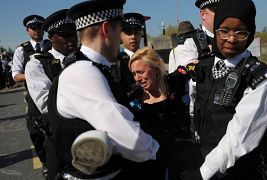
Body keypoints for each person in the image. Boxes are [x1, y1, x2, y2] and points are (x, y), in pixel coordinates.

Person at [46, 0, 159, 179]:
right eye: (120, 29)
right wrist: (157, 149)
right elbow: (133, 140)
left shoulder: (94, 68)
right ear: (106, 29)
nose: (121, 39)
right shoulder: (82, 72)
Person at [180, 0, 267, 179]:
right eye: (224, 31)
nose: (231, 39)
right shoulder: (205, 67)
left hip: (236, 171)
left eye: (240, 32)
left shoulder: (259, 76)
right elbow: (194, 110)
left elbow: (238, 138)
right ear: (215, 31)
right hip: (201, 161)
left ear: (250, 34)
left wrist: (203, 173)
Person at [24, 9, 78, 180]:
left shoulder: (82, 58)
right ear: (51, 38)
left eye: (73, 34)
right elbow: (46, 105)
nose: (71, 39)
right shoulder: (37, 64)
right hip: (58, 136)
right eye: (64, 35)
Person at [128, 46, 194, 180]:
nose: (137, 78)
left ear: (156, 69)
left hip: (184, 160)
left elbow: (193, 66)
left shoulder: (175, 82)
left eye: (140, 72)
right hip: (152, 165)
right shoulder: (133, 97)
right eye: (134, 74)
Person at [11, 14, 51, 177]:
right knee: (36, 132)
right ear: (27, 30)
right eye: (33, 28)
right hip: (34, 97)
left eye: (40, 27)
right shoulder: (22, 49)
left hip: (55, 92)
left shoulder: (51, 44)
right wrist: (35, 75)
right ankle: (44, 161)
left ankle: (56, 161)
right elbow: (15, 75)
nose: (37, 31)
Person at [116, 12, 146, 99]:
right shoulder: (117, 61)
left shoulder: (150, 58)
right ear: (120, 36)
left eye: (136, 32)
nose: (133, 36)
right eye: (128, 32)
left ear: (141, 34)